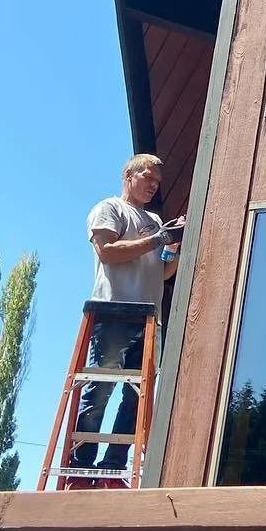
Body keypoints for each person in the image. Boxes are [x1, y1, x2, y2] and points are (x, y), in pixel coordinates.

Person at [69, 153, 183, 485]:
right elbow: (108, 251)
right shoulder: (110, 209)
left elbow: (161, 272)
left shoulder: (155, 220)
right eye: (148, 177)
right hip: (115, 310)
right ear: (128, 175)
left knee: (137, 396)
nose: (153, 185)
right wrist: (159, 238)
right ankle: (81, 463)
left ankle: (113, 466)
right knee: (101, 386)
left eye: (157, 182)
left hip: (149, 318)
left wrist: (174, 246)